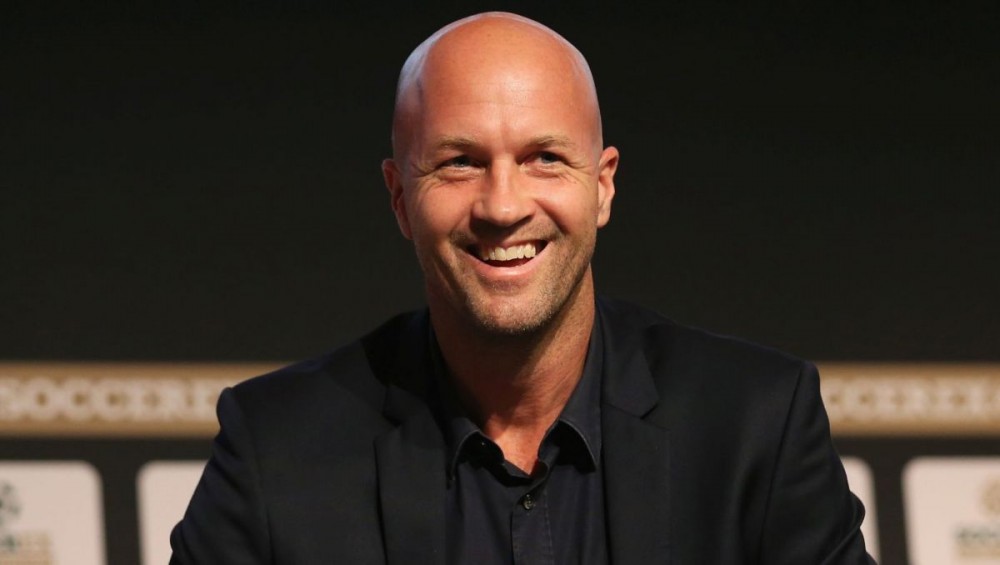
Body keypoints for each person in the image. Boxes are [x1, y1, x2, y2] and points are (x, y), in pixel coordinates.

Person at [170, 12, 875, 564]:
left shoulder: (755, 426)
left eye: (544, 158)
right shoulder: (277, 450)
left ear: (602, 187)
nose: (502, 206)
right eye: (459, 162)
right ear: (399, 198)